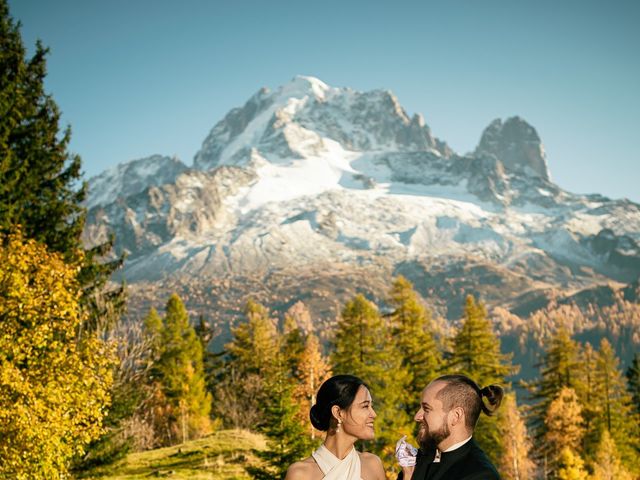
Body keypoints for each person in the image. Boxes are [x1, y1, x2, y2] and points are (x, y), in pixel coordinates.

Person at [396, 374, 503, 480]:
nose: (417, 417)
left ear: (456, 416)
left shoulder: (481, 475)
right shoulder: (417, 461)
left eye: (427, 409)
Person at [286, 374, 386, 480]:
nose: (373, 414)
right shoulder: (300, 474)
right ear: (338, 413)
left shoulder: (372, 465)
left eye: (371, 406)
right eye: (365, 406)